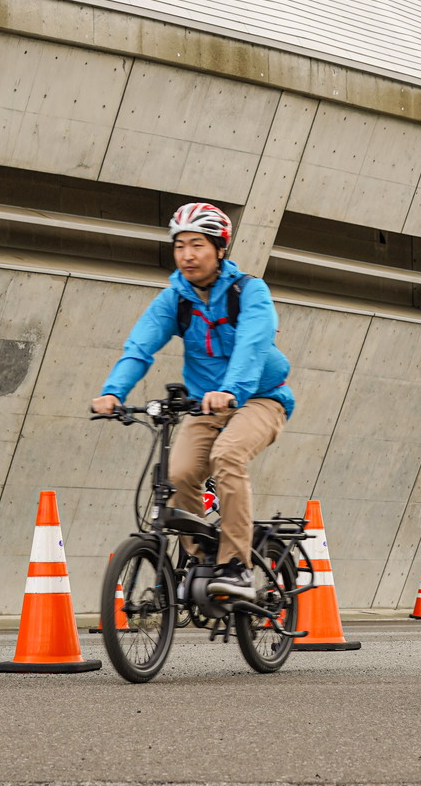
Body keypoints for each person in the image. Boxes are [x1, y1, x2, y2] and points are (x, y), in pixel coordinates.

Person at [91, 201, 293, 601]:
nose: (187, 254)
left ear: (220, 249)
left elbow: (252, 345)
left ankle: (236, 567)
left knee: (228, 456)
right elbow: (140, 346)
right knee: (179, 475)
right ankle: (204, 563)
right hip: (204, 406)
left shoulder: (249, 292)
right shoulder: (175, 300)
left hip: (260, 399)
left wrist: (232, 390)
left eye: (197, 244)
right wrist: (114, 392)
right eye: (180, 245)